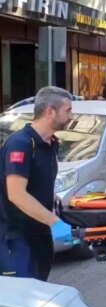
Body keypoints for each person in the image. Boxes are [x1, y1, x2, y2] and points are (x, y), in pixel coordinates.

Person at [0, 87, 76, 280]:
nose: (71, 116)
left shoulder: (51, 144)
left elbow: (39, 183)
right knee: (22, 293)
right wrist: (54, 222)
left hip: (40, 234)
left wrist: (57, 203)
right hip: (16, 238)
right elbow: (16, 194)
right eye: (67, 110)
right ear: (50, 111)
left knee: (40, 289)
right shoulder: (21, 144)